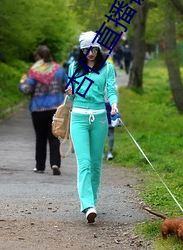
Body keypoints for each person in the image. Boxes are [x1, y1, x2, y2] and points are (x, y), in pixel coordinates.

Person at [65, 31, 118, 223]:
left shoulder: (107, 68)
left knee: (96, 164)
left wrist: (113, 104)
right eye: (87, 50)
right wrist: (70, 92)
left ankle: (92, 201)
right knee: (84, 163)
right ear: (82, 50)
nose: (91, 53)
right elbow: (70, 98)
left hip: (100, 119)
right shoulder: (74, 68)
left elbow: (111, 90)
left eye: (94, 49)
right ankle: (87, 205)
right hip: (78, 118)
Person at [19, 45, 68, 175]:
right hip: (55, 109)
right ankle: (55, 163)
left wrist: (22, 83)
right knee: (54, 137)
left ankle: (40, 166)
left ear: (38, 57)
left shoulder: (34, 71)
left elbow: (27, 90)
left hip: (38, 109)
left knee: (40, 138)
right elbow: (67, 86)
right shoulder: (59, 69)